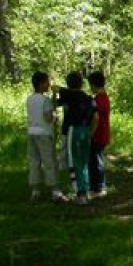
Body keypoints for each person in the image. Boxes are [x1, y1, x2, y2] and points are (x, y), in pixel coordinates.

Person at [53, 71, 98, 205]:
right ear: (81, 83)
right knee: (84, 162)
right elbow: (96, 117)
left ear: (68, 84)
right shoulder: (89, 98)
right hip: (85, 130)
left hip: (73, 130)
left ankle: (81, 194)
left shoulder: (69, 95)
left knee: (75, 162)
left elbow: (55, 98)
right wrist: (91, 132)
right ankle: (86, 191)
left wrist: (55, 90)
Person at [26, 71, 66, 203]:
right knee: (49, 161)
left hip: (32, 132)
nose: (49, 84)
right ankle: (55, 191)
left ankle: (35, 190)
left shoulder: (30, 99)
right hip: (44, 133)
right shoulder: (45, 100)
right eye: (47, 82)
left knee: (34, 161)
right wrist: (55, 116)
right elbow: (48, 118)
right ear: (41, 84)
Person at [88, 71, 111, 198]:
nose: (90, 88)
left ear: (94, 84)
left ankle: (99, 188)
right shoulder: (104, 97)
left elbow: (96, 118)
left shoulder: (97, 100)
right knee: (98, 160)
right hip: (103, 133)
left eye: (90, 85)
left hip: (98, 134)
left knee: (96, 161)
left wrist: (90, 133)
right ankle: (98, 187)